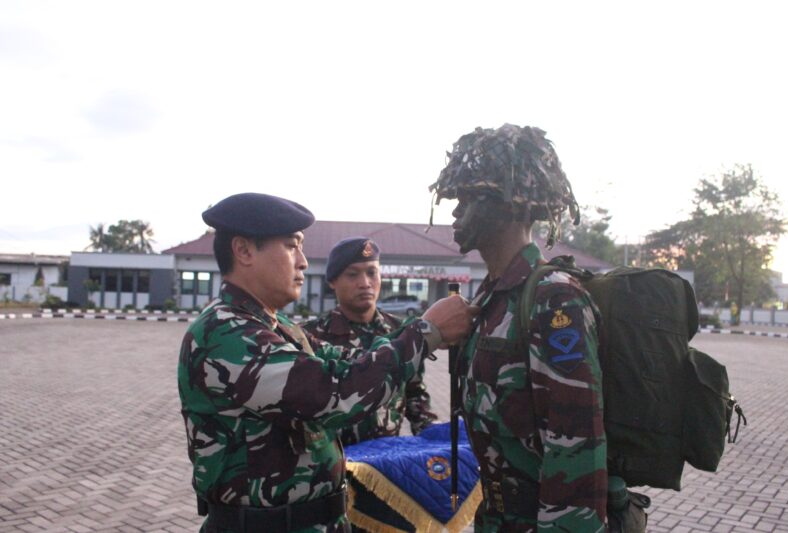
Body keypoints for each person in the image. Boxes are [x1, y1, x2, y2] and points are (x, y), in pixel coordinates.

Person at [177, 192, 477, 533]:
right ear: (244, 251)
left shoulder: (281, 327)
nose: (303, 261)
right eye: (292, 246)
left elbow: (353, 363)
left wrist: (422, 331)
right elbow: (334, 392)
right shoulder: (225, 333)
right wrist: (427, 333)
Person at [429, 124, 608, 532]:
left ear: (513, 204)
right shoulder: (491, 299)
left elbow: (576, 446)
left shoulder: (552, 299)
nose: (455, 212)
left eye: (469, 198)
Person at [302, 237, 438, 444]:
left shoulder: (403, 332)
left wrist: (433, 438)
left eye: (371, 273)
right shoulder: (311, 336)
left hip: (387, 463)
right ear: (332, 281)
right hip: (336, 462)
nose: (365, 283)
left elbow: (414, 392)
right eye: (352, 274)